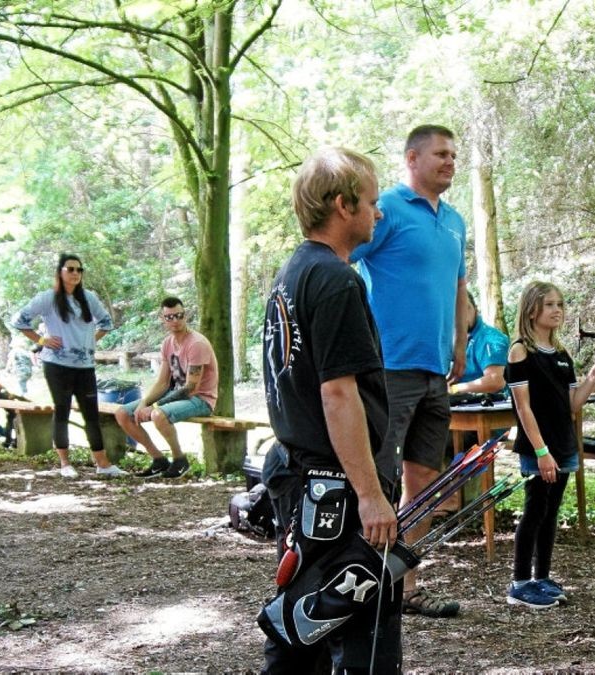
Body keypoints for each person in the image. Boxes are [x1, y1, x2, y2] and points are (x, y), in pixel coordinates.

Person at [260, 146, 400, 672]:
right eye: (371, 201)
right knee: (357, 623)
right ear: (343, 205)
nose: (378, 212)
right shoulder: (336, 280)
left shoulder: (292, 273)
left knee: (307, 619)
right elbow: (337, 392)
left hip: (306, 478)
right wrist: (368, 494)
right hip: (332, 487)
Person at [349, 124, 468, 618]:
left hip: (434, 371)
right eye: (441, 154)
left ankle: (405, 586)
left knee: (424, 480)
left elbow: (459, 285)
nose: (450, 162)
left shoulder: (456, 220)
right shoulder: (388, 209)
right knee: (377, 478)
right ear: (412, 158)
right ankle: (358, 587)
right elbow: (342, 263)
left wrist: (459, 345)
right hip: (388, 368)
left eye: (454, 155)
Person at [504, 280, 595, 610]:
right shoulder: (521, 350)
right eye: (549, 304)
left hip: (562, 445)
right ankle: (520, 583)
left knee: (550, 513)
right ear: (533, 309)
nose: (557, 309)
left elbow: (573, 404)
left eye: (560, 303)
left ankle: (541, 577)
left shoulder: (561, 355)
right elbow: (523, 408)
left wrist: (594, 374)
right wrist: (541, 451)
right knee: (535, 510)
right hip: (539, 448)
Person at [12, 254, 125, 478]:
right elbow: (20, 320)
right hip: (57, 365)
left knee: (90, 413)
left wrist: (90, 340)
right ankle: (65, 463)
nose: (75, 273)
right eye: (70, 269)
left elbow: (107, 322)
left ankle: (102, 463)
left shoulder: (88, 298)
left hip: (84, 366)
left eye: (79, 270)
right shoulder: (48, 298)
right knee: (62, 410)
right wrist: (41, 340)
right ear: (60, 272)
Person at [114, 297, 218, 479]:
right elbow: (162, 382)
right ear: (163, 319)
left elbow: (191, 388)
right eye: (169, 317)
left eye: (179, 316)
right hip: (175, 394)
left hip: (201, 399)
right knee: (123, 413)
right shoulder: (167, 343)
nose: (175, 321)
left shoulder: (197, 344)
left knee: (158, 414)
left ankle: (180, 460)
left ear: (186, 316)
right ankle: (158, 459)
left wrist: (154, 407)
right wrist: (144, 402)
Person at [438, 290, 510, 515]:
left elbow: (495, 381)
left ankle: (460, 501)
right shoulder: (446, 339)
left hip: (490, 416)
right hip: (454, 414)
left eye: (464, 309)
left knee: (446, 440)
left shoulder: (491, 339)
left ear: (474, 309)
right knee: (424, 436)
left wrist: (456, 388)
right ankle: (451, 500)